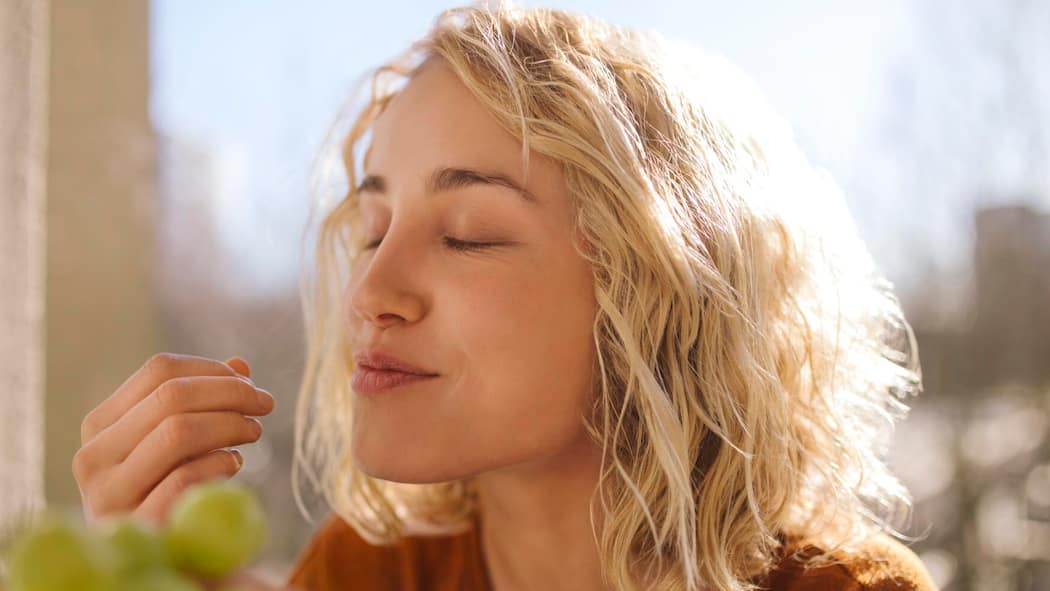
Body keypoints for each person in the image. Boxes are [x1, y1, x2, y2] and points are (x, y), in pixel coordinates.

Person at [73, 2, 939, 590]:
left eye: (467, 234)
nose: (371, 291)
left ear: (658, 290)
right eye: (373, 230)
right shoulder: (369, 570)